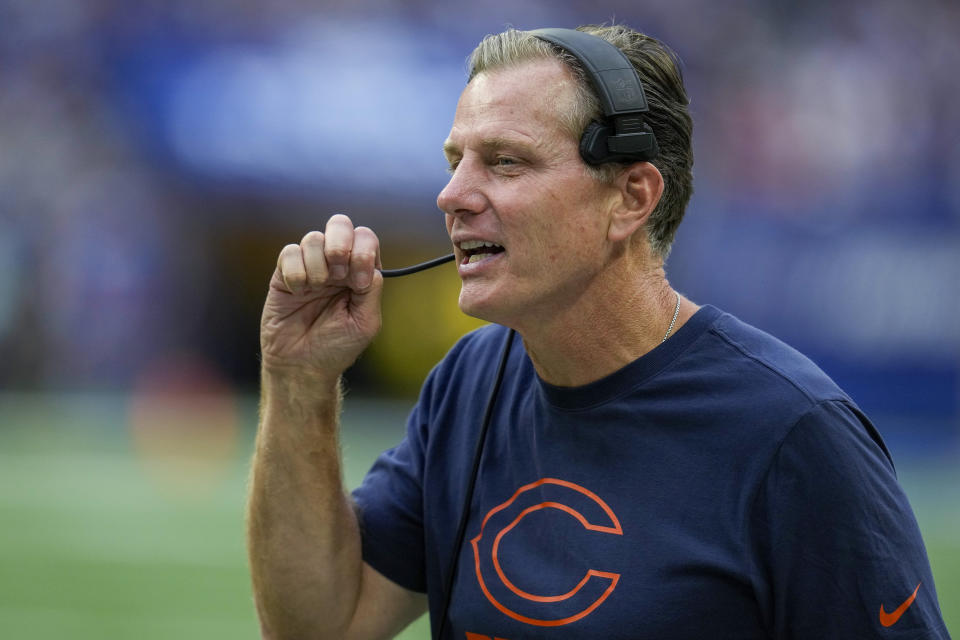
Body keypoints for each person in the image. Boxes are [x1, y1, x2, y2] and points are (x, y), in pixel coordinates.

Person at [246, 25, 951, 640]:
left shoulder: (795, 435)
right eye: (454, 159)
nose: (452, 194)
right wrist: (298, 379)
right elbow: (319, 626)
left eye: (505, 160)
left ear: (632, 197)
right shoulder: (467, 385)